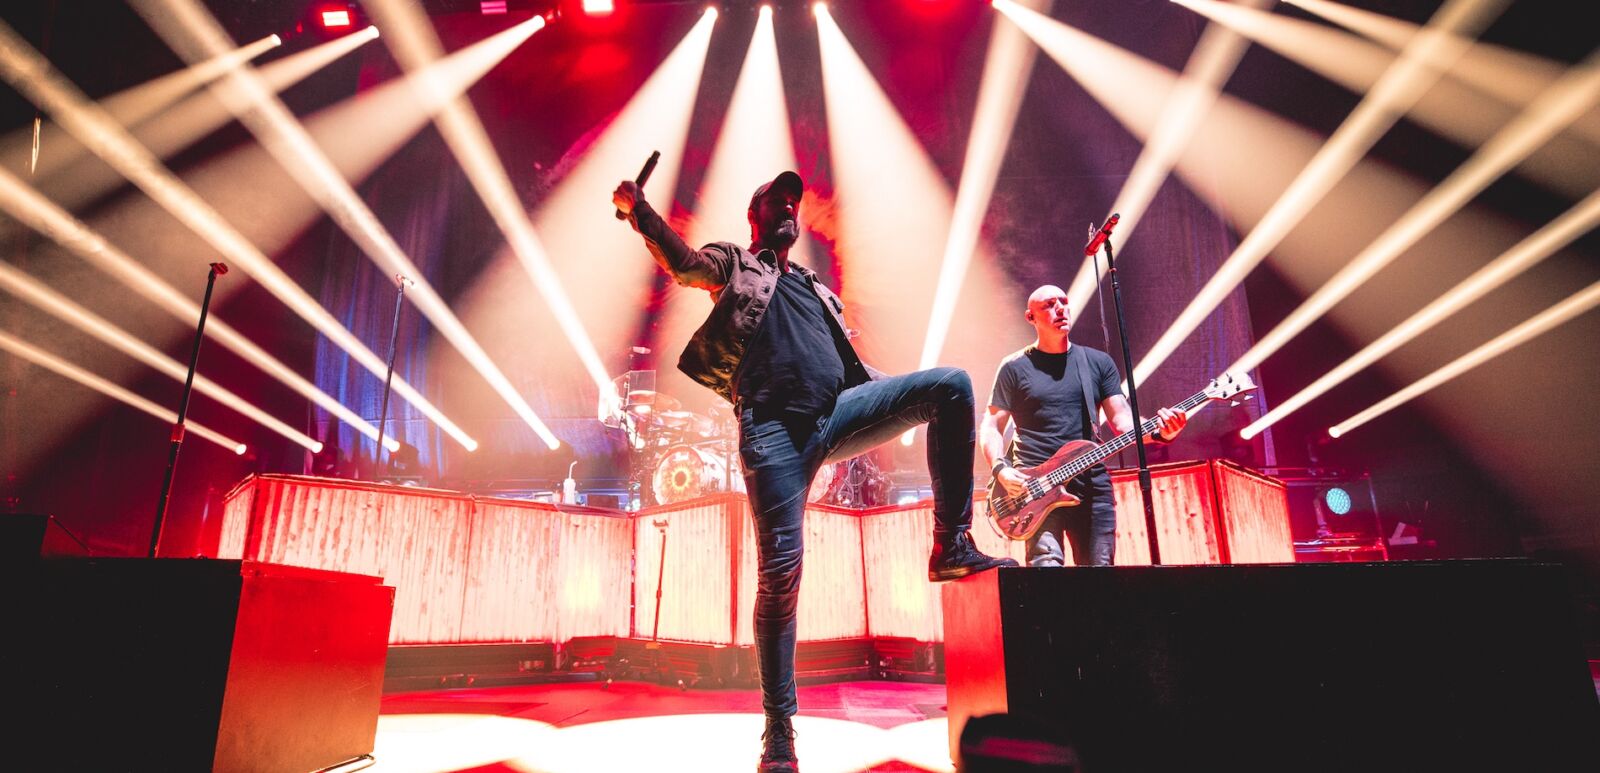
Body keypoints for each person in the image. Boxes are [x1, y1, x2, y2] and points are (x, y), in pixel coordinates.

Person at [614, 170, 1016, 772]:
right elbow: (688, 266)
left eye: (794, 205)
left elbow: (856, 370)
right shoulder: (738, 263)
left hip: (834, 415)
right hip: (773, 429)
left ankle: (951, 543)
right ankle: (779, 730)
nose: (789, 211)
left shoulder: (817, 289)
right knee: (781, 577)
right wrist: (642, 213)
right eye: (778, 202)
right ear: (756, 214)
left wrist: (908, 402)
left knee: (951, 386)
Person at [979, 285, 1187, 567]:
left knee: (1098, 580)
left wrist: (1161, 431)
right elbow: (991, 426)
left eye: (1064, 302)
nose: (1060, 309)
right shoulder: (1014, 367)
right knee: (1047, 569)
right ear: (1031, 317)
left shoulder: (1097, 363)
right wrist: (1001, 470)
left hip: (1091, 487)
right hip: (1034, 489)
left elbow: (1123, 423)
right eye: (1049, 305)